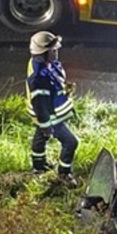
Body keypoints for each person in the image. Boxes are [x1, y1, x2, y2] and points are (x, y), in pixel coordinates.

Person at [26, 31, 79, 187]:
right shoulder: (39, 78)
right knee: (71, 142)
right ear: (42, 53)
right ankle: (64, 173)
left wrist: (63, 89)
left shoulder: (46, 64)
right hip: (50, 116)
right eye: (53, 50)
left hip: (48, 113)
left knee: (40, 138)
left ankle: (38, 166)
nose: (56, 52)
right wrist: (46, 126)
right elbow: (40, 104)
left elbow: (53, 83)